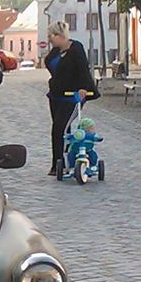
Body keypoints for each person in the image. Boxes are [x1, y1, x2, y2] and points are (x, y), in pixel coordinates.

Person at [43, 24, 96, 175]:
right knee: (61, 129)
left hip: (72, 96)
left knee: (58, 128)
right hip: (56, 95)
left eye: (51, 36)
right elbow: (50, 64)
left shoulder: (76, 48)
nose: (49, 40)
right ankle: (65, 160)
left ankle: (57, 164)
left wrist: (83, 88)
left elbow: (83, 70)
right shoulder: (55, 51)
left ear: (59, 35)